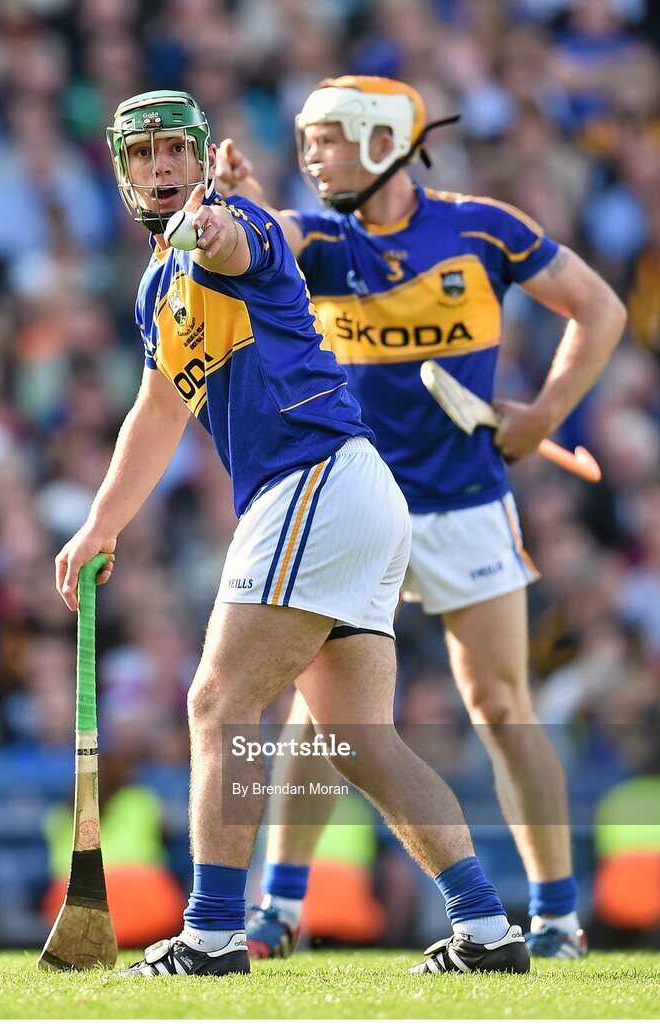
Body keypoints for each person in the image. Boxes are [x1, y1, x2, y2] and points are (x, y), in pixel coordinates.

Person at [55, 88, 531, 977]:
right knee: (357, 740)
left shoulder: (236, 225)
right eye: (143, 157)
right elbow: (156, 412)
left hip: (313, 480)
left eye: (174, 153)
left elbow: (237, 239)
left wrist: (212, 227)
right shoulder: (158, 289)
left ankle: (210, 934)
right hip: (348, 496)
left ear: (202, 160)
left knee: (218, 704)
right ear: (123, 173)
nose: (162, 170)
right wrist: (100, 525)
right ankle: (488, 930)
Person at [214, 75, 626, 961]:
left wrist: (545, 414)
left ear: (380, 142)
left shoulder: (483, 229)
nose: (310, 155)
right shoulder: (321, 241)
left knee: (503, 704)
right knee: (321, 718)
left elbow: (600, 308)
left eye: (327, 138)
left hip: (468, 504)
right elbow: (271, 238)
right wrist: (243, 207)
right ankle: (281, 911)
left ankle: (557, 920)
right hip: (358, 510)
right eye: (306, 138)